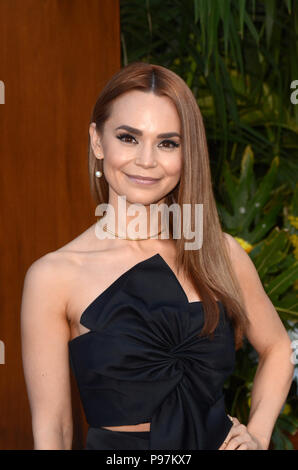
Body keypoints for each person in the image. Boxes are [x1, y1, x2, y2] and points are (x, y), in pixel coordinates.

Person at [20, 62, 294, 450]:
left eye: (168, 142)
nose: (147, 160)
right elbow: (54, 431)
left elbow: (278, 347)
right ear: (98, 141)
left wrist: (258, 435)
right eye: (128, 138)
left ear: (187, 153)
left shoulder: (219, 252)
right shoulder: (53, 276)